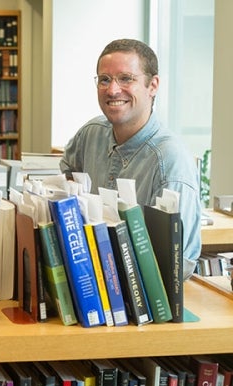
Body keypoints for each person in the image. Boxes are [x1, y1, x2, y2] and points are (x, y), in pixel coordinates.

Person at [60, 38, 201, 279]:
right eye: (104, 79)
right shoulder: (90, 134)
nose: (113, 90)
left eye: (126, 78)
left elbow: (180, 263)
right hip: (89, 280)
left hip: (146, 300)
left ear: (153, 85)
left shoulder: (170, 161)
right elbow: (66, 179)